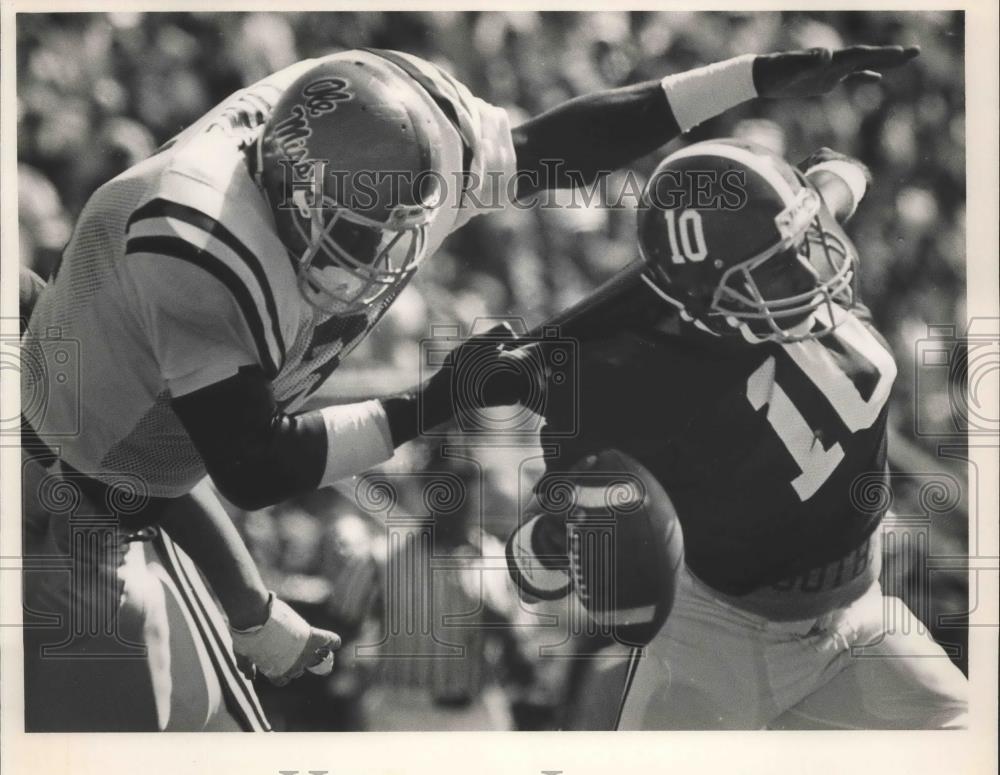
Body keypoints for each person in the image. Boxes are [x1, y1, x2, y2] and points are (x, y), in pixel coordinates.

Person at [21, 43, 919, 730]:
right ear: (292, 193)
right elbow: (254, 466)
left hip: (129, 486)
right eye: (358, 232)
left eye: (398, 228)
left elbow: (563, 147)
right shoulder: (195, 250)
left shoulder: (401, 145)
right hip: (54, 505)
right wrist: (434, 401)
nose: (387, 258)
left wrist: (752, 76)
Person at [505, 138, 969, 729]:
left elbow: (845, 173)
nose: (807, 269)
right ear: (706, 300)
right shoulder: (633, 386)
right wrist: (562, 538)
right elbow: (531, 571)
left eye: (799, 245)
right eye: (776, 265)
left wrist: (824, 182)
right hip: (717, 642)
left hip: (861, 617)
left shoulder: (800, 288)